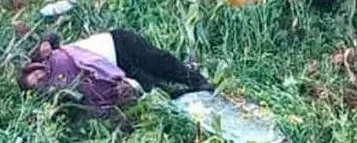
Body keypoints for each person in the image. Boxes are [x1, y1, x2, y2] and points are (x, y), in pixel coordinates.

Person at [18, 29, 212, 118]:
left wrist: (46, 42)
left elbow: (51, 36)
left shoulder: (44, 56)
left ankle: (199, 81)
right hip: (116, 74)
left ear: (33, 68)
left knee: (160, 61)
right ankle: (197, 96)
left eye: (34, 75)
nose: (38, 78)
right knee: (156, 89)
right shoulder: (59, 91)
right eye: (35, 84)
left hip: (114, 44)